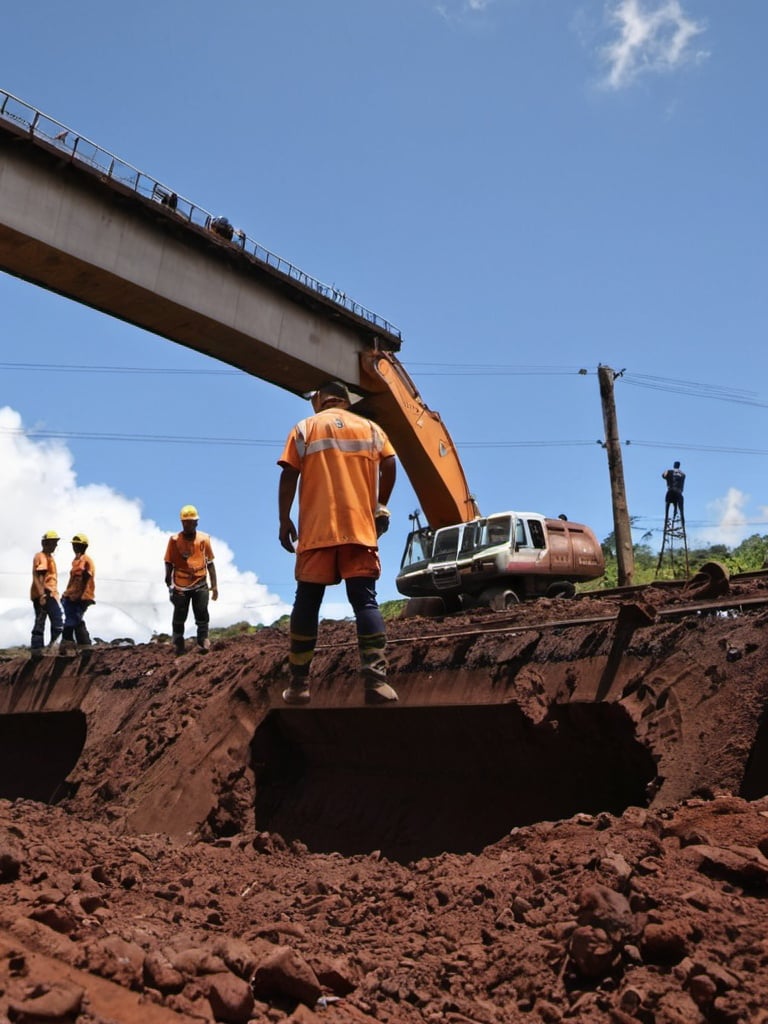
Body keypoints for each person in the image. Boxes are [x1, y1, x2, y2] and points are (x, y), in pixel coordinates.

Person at [278, 380, 397, 706]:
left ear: (319, 401)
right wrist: (380, 505)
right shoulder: (371, 429)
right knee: (365, 602)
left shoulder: (305, 427)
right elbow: (389, 462)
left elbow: (288, 473)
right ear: (345, 402)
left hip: (317, 532)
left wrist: (284, 519)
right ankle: (376, 681)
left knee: (307, 602)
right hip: (359, 530)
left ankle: (299, 685)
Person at [164, 505, 218, 655]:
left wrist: (214, 586)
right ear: (182, 523)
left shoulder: (204, 540)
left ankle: (203, 638)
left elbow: (210, 563)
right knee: (180, 614)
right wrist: (168, 580)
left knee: (201, 612)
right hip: (180, 585)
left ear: (196, 522)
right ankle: (178, 640)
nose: (188, 524)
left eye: (191, 521)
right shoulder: (174, 541)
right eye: (185, 522)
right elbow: (168, 561)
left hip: (200, 582)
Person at [59, 533, 95, 655]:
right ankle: (82, 646)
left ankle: (70, 643)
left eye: (78, 545)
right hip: (71, 596)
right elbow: (74, 580)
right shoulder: (76, 561)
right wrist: (67, 594)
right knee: (75, 620)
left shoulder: (86, 561)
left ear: (84, 546)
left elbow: (85, 578)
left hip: (81, 597)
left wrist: (79, 596)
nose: (75, 547)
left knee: (74, 620)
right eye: (74, 545)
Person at [30, 530, 63, 659]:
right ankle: (40, 650)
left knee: (45, 621)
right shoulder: (42, 557)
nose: (55, 545)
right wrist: (42, 595)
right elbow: (40, 575)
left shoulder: (49, 557)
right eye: (52, 542)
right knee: (49, 621)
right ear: (45, 543)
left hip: (50, 594)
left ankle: (46, 649)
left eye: (55, 543)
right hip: (45, 594)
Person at [662, 461, 686, 527]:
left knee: (667, 503)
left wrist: (666, 472)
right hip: (679, 493)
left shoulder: (669, 472)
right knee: (681, 510)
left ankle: (666, 518)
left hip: (670, 492)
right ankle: (683, 523)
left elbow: (663, 476)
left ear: (674, 465)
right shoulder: (683, 474)